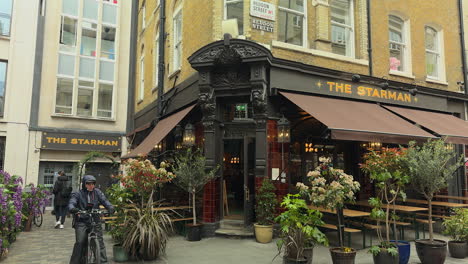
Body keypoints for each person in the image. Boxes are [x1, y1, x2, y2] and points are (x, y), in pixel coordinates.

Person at [69, 175, 114, 264]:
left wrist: (110, 207)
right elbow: (72, 202)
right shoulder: (78, 194)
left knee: (100, 241)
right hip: (82, 221)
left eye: (93, 183)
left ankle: (102, 261)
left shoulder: (98, 192)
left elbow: (105, 201)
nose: (91, 185)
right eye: (88, 183)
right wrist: (72, 208)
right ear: (84, 184)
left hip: (95, 220)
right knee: (80, 242)